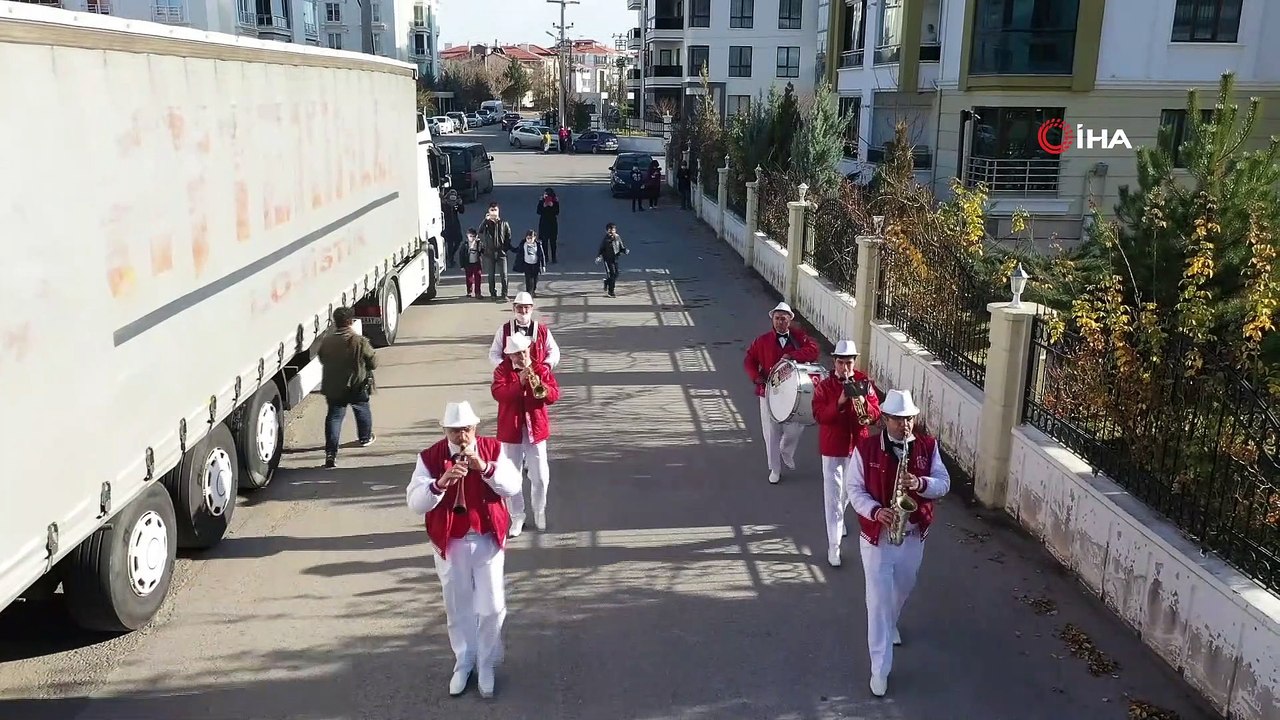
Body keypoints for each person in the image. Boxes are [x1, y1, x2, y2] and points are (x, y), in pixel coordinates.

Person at [406, 400, 522, 699]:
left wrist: (483, 467)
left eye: (468, 429)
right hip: (451, 540)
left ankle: (486, 662)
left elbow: (512, 486)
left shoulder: (492, 448)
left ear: (475, 428)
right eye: (456, 431)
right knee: (457, 606)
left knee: (492, 605)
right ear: (445, 430)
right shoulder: (430, 457)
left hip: (486, 538)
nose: (463, 436)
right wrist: (441, 482)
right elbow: (416, 503)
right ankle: (464, 659)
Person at [847, 389, 950, 698]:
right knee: (876, 601)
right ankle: (879, 669)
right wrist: (876, 511)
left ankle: (892, 621)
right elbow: (854, 489)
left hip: (913, 534)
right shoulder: (865, 449)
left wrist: (920, 483)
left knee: (904, 586)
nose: (904, 425)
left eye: (909, 419)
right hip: (878, 537)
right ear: (886, 419)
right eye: (898, 420)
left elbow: (943, 484)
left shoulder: (927, 447)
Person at [810, 340, 881, 567]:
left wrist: (862, 403)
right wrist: (840, 402)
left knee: (850, 492)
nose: (845, 368)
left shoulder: (864, 382)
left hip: (858, 447)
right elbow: (820, 415)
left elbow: (876, 413)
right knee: (832, 498)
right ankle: (834, 547)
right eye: (841, 363)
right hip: (832, 448)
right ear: (835, 362)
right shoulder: (824, 385)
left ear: (854, 362)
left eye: (849, 363)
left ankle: (839, 522)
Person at [742, 302, 819, 483]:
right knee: (771, 431)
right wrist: (755, 377)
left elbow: (814, 351)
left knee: (796, 426)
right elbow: (749, 360)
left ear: (790, 320)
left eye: (783, 319)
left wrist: (793, 355)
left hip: (793, 391)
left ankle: (786, 449)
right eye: (777, 318)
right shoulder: (762, 340)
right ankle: (774, 469)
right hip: (768, 390)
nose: (779, 322)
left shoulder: (799, 338)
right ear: (772, 320)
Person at [491, 334, 560, 536]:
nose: (521, 357)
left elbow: (554, 395)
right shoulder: (501, 371)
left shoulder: (540, 369)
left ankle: (539, 511)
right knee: (512, 477)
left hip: (535, 429)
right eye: (516, 354)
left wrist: (542, 387)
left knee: (540, 476)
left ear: (528, 350)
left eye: (524, 352)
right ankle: (517, 516)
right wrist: (519, 383)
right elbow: (499, 394)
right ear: (509, 355)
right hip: (510, 430)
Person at [317, 306, 377, 468]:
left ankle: (331, 454)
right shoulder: (359, 341)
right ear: (350, 322)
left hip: (334, 387)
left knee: (334, 417)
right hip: (357, 385)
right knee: (362, 408)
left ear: (335, 322)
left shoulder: (327, 341)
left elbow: (322, 358)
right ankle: (365, 437)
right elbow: (373, 362)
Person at [487, 291, 562, 369]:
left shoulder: (543, 331)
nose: (523, 311)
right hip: (510, 377)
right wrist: (504, 367)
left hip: (537, 377)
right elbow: (494, 353)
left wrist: (546, 366)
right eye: (519, 307)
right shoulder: (504, 330)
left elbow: (554, 352)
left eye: (526, 307)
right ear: (513, 308)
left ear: (532, 308)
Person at [479, 202, 513, 301]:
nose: (494, 212)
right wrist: (485, 220)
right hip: (489, 253)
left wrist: (505, 249)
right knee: (491, 275)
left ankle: (504, 294)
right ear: (489, 211)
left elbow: (508, 236)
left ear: (498, 211)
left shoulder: (504, 223)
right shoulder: (486, 223)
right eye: (492, 210)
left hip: (501, 252)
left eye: (495, 210)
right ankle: (493, 293)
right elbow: (480, 232)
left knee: (504, 274)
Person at [595, 222, 629, 298]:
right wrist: (599, 257)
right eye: (609, 231)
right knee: (612, 274)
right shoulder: (605, 240)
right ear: (606, 231)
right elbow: (601, 250)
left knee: (616, 274)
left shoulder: (617, 237)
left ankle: (607, 281)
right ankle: (611, 291)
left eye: (613, 230)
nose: (611, 232)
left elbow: (621, 247)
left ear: (615, 230)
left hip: (615, 259)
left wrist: (625, 250)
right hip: (607, 260)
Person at [512, 230, 548, 297]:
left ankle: (533, 290)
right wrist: (510, 247)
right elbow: (517, 250)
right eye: (527, 238)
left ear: (534, 237)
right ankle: (529, 292)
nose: (529, 240)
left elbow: (542, 255)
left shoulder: (538, 245)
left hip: (535, 264)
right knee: (528, 279)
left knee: (535, 279)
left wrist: (543, 265)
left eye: (531, 238)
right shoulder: (524, 244)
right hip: (527, 264)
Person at [442, 189, 465, 269]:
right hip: (447, 225)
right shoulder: (444, 204)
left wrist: (460, 204)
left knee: (459, 240)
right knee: (450, 243)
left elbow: (462, 211)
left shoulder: (456, 204)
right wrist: (444, 203)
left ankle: (450, 255)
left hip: (455, 225)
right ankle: (450, 260)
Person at [459, 227, 484, 299]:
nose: (472, 238)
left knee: (478, 278)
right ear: (467, 236)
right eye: (470, 236)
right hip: (468, 263)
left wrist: (480, 243)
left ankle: (478, 293)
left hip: (476, 263)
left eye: (473, 236)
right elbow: (461, 255)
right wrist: (462, 265)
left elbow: (483, 250)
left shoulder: (478, 243)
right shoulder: (465, 245)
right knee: (469, 279)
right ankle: (469, 292)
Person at [536, 188, 560, 264]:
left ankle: (553, 257)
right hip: (544, 223)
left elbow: (557, 212)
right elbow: (538, 211)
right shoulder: (542, 201)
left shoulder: (555, 201)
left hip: (552, 223)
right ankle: (545, 257)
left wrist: (552, 205)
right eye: (545, 195)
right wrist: (544, 205)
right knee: (544, 242)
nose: (546, 196)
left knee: (553, 242)